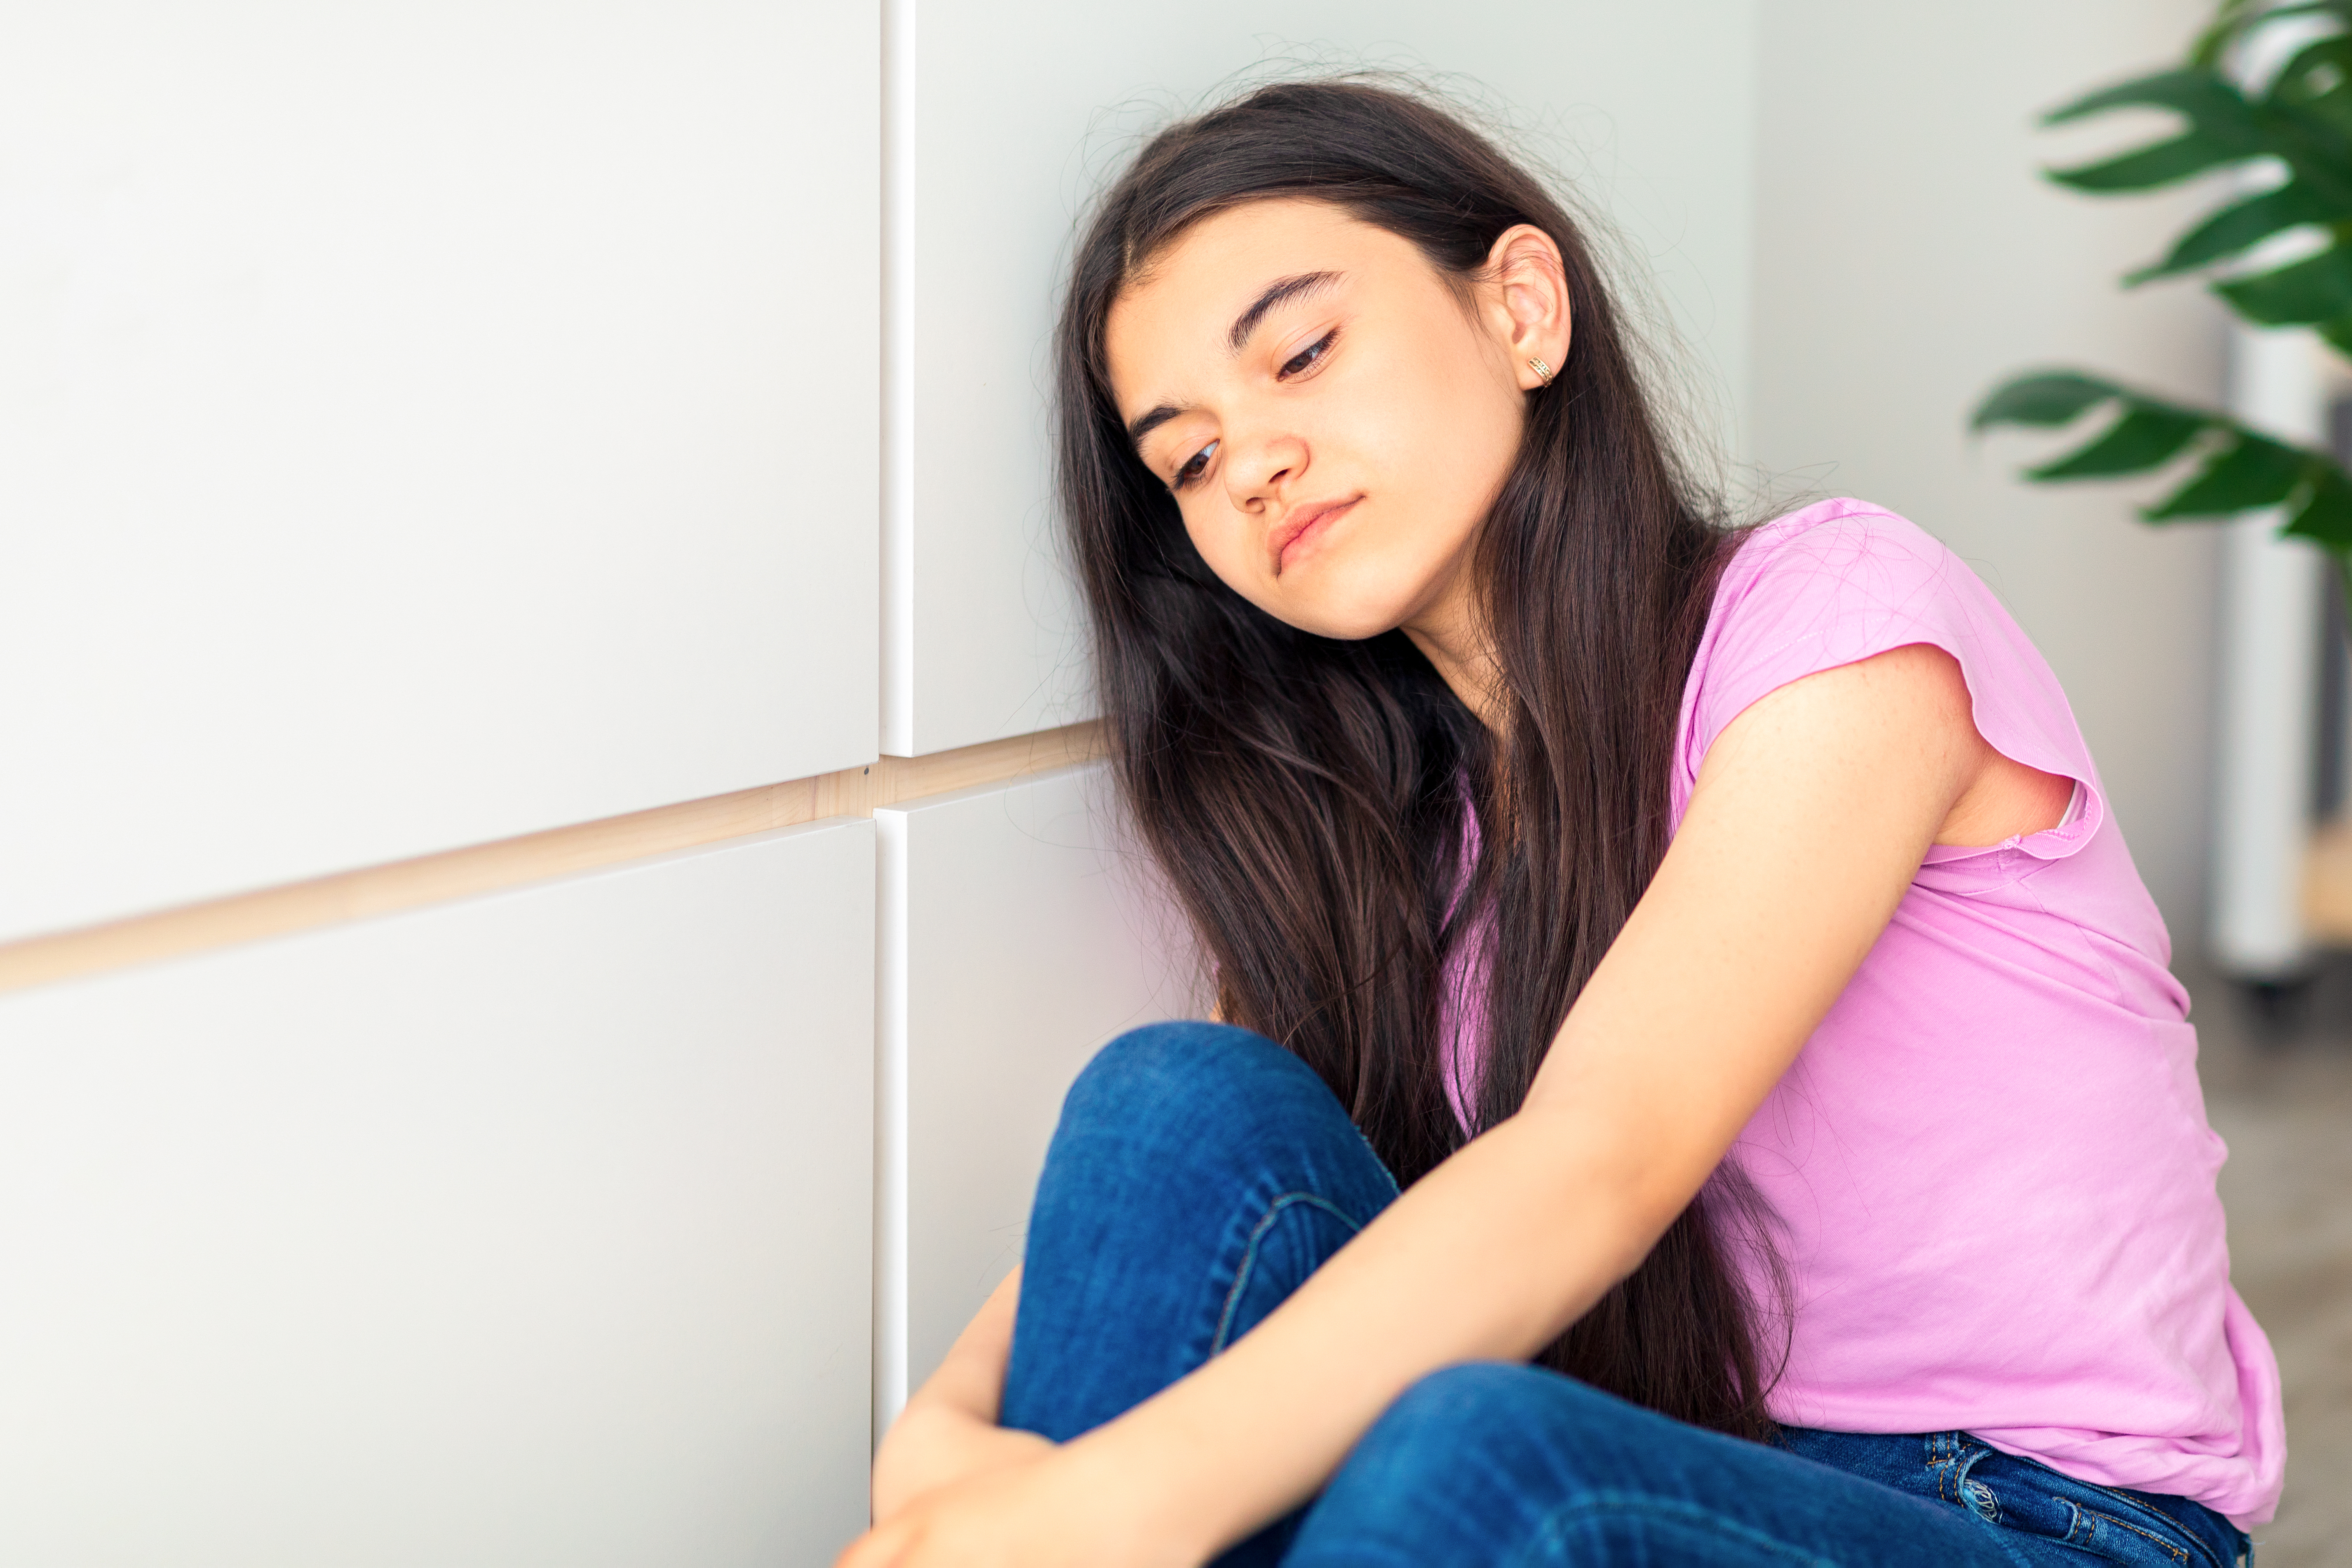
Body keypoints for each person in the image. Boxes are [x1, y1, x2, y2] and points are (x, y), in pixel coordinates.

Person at [838, 80, 2282, 1567]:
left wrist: (1090, 1516)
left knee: (1475, 1459)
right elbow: (1166, 1185)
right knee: (1178, 1098)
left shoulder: (1836, 626)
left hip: (2048, 1524)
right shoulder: (1382, 827)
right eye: (1189, 459)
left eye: (1304, 353)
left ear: (1523, 309)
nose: (1253, 459)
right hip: (1646, 1461)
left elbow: (1602, 1155)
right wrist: (943, 1428)